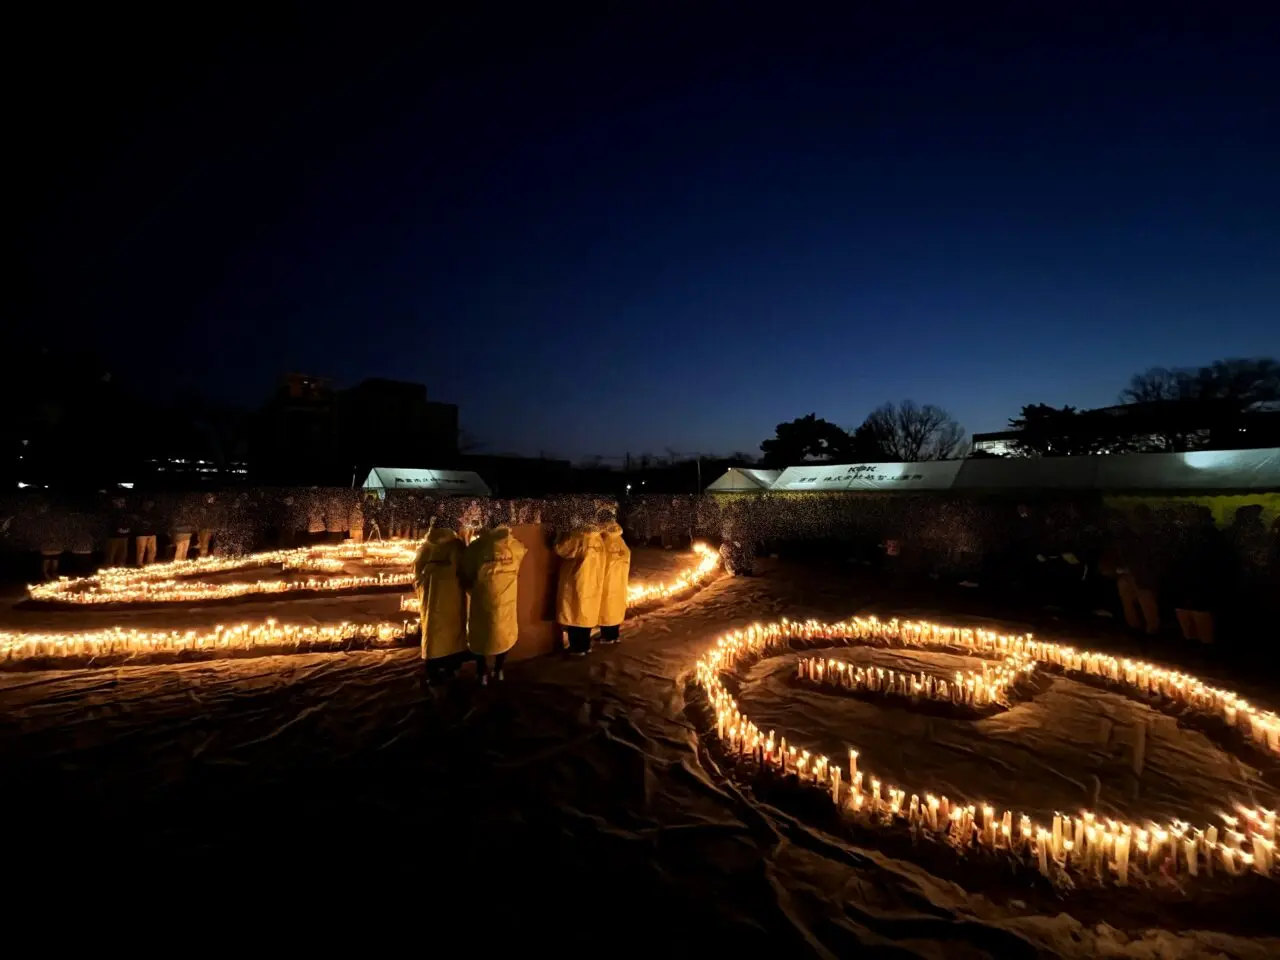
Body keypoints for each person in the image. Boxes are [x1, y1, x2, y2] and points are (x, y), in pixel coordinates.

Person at [461, 514, 527, 684]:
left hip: (482, 598)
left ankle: (482, 672)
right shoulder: (514, 547)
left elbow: (466, 572)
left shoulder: (476, 548)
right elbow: (522, 554)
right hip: (507, 599)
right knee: (503, 634)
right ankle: (499, 670)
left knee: (480, 635)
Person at [414, 520, 469, 683]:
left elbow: (417, 573)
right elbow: (464, 569)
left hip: (431, 599)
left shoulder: (425, 547)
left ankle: (433, 667)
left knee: (433, 631)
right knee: (451, 633)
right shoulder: (456, 546)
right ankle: (451, 667)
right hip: (452, 598)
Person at [555, 517, 605, 655]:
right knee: (586, 614)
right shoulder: (598, 539)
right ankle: (585, 645)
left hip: (577, 580)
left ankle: (577, 647)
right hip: (593, 580)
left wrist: (561, 534)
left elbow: (561, 549)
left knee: (574, 613)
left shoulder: (578, 536)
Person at [597, 508, 631, 644]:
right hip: (619, 578)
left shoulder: (604, 540)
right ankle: (614, 634)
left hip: (607, 578)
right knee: (615, 606)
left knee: (607, 607)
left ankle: (608, 636)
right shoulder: (619, 539)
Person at [105, 497, 133, 567]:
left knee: (123, 553)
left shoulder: (125, 511)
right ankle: (109, 567)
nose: (122, 503)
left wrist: (128, 529)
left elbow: (129, 520)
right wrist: (116, 529)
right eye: (120, 501)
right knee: (111, 553)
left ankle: (121, 566)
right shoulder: (111, 511)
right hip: (114, 536)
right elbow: (110, 522)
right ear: (114, 502)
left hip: (124, 535)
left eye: (123, 502)